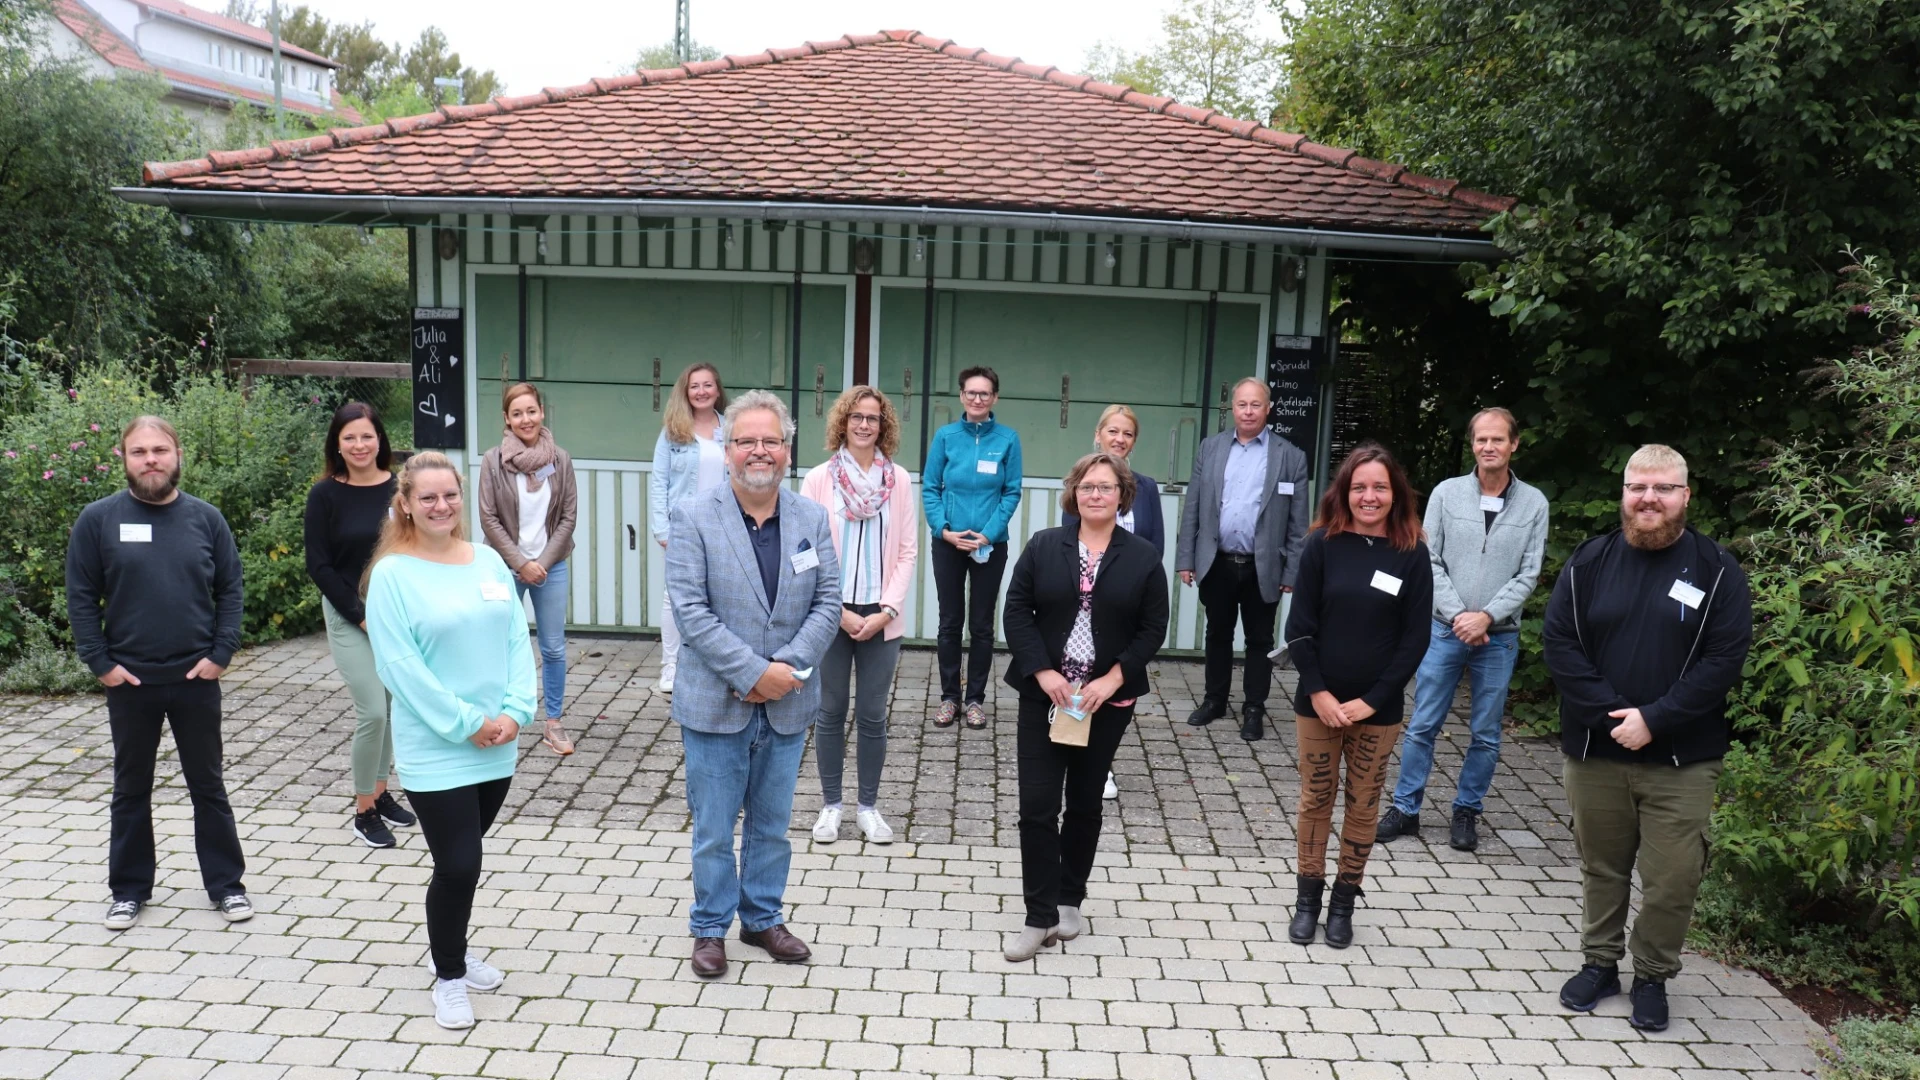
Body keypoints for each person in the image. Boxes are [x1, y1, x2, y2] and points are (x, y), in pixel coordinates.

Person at [1543, 444, 1752, 1033]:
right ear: (1624, 493)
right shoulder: (1588, 563)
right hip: (1595, 750)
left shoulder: (1716, 570)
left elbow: (1723, 660)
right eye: (1639, 487)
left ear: (1685, 496)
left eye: (1663, 489)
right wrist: (1616, 715)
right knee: (1601, 867)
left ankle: (1653, 976)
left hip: (1682, 757)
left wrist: (1655, 719)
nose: (1648, 499)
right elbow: (1559, 645)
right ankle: (1600, 965)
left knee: (1674, 876)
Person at [666, 390, 841, 979]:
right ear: (727, 447)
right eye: (747, 440)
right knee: (714, 828)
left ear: (786, 451)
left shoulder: (812, 518)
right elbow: (691, 610)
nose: (759, 451)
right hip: (716, 702)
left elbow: (827, 601)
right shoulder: (693, 516)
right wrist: (751, 673)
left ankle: (762, 917)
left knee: (772, 824)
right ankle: (709, 928)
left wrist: (783, 670)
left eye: (770, 440)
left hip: (788, 701)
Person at [363, 451, 536, 1031]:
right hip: (440, 745)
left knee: (461, 861)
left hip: (498, 742)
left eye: (450, 495)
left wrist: (516, 712)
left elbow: (516, 638)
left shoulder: (487, 561)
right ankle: (449, 977)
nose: (441, 506)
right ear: (406, 504)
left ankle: (450, 946)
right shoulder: (392, 575)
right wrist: (468, 722)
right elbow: (400, 668)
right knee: (459, 863)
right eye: (428, 497)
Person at [67, 416, 252, 932]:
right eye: (139, 451)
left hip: (196, 677)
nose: (151, 460)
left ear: (178, 454)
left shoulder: (206, 519)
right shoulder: (98, 520)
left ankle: (226, 886)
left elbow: (231, 590)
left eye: (160, 450)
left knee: (207, 786)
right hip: (130, 681)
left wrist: (221, 653)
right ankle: (128, 890)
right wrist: (100, 663)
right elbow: (81, 595)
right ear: (122, 457)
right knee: (131, 789)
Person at [1001, 452, 1168, 961]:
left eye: (1107, 487)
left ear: (1123, 495)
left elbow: (1152, 628)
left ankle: (1071, 897)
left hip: (1107, 702)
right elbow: (1016, 610)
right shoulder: (1044, 545)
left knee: (1085, 803)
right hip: (1045, 696)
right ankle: (1039, 914)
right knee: (1036, 806)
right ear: (1073, 494)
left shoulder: (1141, 556)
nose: (1096, 495)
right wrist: (1043, 671)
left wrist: (1114, 677)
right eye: (1088, 487)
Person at [1281, 442, 1433, 948]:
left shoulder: (1412, 552)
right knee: (1315, 800)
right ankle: (1308, 902)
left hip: (1378, 708)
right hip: (1317, 704)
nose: (1370, 496)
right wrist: (1320, 693)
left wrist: (1371, 700)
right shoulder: (1322, 544)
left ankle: (1344, 905)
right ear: (1344, 492)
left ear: (1396, 494)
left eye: (1380, 487)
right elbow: (1298, 629)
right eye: (1360, 487)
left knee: (1364, 805)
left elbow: (1416, 639)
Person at [1378, 407, 1549, 852]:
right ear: (1472, 444)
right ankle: (1406, 809)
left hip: (1500, 635)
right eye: (1480, 440)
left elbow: (1529, 573)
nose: (1488, 447)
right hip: (1443, 628)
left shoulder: (1534, 504)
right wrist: (1459, 615)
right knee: (1422, 723)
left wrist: (1486, 617)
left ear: (1514, 444)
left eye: (1497, 440)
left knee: (1486, 732)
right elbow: (1427, 559)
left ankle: (1467, 812)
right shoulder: (1446, 494)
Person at [799, 386, 919, 845]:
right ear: (843, 423)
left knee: (872, 715)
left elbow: (908, 551)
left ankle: (868, 808)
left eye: (873, 418)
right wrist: (839, 611)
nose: (865, 425)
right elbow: (804, 552)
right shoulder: (818, 480)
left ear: (883, 426)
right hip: (831, 613)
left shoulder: (901, 481)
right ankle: (831, 806)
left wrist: (888, 609)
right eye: (857, 417)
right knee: (829, 711)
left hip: (881, 615)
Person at [1175, 376, 1310, 742]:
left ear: (1269, 409)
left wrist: (1292, 570)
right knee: (1217, 633)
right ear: (1232, 409)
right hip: (1216, 561)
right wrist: (1185, 558)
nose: (1248, 411)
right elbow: (1193, 508)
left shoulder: (1291, 457)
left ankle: (1254, 708)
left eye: (1255, 404)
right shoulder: (1211, 448)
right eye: (1241, 404)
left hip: (1263, 566)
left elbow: (1299, 524)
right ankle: (1214, 700)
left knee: (1259, 639)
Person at [304, 402, 415, 848]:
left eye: (366, 436)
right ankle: (363, 810)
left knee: (392, 709)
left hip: (395, 611)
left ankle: (382, 792)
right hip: (349, 612)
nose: (359, 445)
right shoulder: (324, 495)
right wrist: (360, 614)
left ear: (380, 439)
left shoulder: (399, 489)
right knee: (371, 710)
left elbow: (413, 545)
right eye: (349, 437)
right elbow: (319, 566)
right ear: (337, 443)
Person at [1063, 404, 1166, 800]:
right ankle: (1077, 755)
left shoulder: (1148, 486)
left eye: (1127, 434)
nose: (1119, 439)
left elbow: (1154, 544)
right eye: (1113, 431)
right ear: (1098, 435)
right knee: (1082, 681)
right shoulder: (1085, 478)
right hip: (1085, 601)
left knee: (1115, 685)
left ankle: (1101, 762)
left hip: (1127, 605)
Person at [478, 383, 578, 755]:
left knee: (552, 647)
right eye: (517, 413)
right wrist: (520, 563)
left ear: (542, 413)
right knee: (500, 643)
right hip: (505, 567)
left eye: (531, 411)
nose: (526, 419)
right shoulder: (493, 461)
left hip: (551, 566)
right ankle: (500, 718)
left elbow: (568, 517)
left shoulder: (561, 460)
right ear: (506, 419)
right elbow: (488, 519)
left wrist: (542, 564)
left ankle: (553, 722)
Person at [921, 366, 1023, 730]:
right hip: (948, 543)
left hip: (989, 546)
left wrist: (990, 534)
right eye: (971, 393)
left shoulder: (1008, 439)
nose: (977, 399)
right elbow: (930, 487)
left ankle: (975, 699)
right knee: (950, 622)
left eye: (985, 393)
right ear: (961, 396)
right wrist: (943, 529)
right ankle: (950, 698)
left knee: (981, 625)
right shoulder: (946, 436)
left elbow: (1012, 492)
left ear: (994, 398)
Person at [650, 362, 730, 694]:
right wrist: (662, 530)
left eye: (707, 385)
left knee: (720, 596)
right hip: (683, 527)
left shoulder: (730, 428)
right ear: (685, 391)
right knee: (676, 597)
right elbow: (659, 482)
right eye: (695, 386)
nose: (701, 391)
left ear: (717, 390)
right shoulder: (672, 431)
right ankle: (671, 666)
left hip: (723, 525)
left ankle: (715, 662)